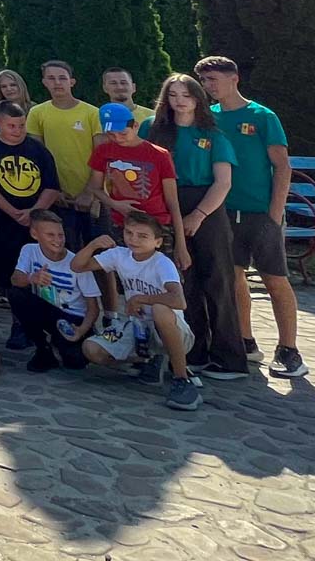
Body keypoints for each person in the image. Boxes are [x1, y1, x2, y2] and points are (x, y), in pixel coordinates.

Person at [197, 55, 304, 378]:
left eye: (214, 79)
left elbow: (282, 165)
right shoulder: (208, 117)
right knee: (233, 278)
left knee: (274, 279)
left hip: (260, 212)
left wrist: (275, 212)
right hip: (224, 212)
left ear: (234, 78)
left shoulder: (261, 115)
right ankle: (245, 341)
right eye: (204, 81)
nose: (209, 86)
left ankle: (289, 349)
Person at [143, 73, 249, 379]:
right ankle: (192, 350)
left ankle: (229, 357)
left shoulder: (214, 135)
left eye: (186, 95)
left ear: (197, 99)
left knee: (217, 280)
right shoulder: (154, 130)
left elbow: (223, 182)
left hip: (206, 208)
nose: (179, 101)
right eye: (172, 94)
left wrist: (198, 215)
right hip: (165, 206)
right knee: (180, 280)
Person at [73, 215, 202, 411]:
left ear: (157, 242)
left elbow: (178, 300)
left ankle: (181, 378)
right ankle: (147, 359)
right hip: (136, 327)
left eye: (142, 236)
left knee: (160, 310)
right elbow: (77, 266)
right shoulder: (119, 255)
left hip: (171, 329)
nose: (134, 239)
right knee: (91, 348)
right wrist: (93, 245)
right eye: (129, 233)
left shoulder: (162, 263)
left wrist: (140, 299)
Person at [0, 100, 63, 350]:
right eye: (11, 125)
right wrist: (13, 212)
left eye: (21, 125)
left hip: (38, 222)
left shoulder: (38, 150)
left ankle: (46, 325)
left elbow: (52, 186)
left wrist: (34, 212)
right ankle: (18, 324)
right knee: (11, 273)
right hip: (6, 221)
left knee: (41, 270)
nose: (17, 130)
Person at [7, 210, 101, 372]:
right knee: (17, 295)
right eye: (50, 235)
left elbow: (93, 307)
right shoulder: (29, 250)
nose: (58, 240)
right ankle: (42, 348)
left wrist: (81, 331)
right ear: (35, 234)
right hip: (47, 309)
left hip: (73, 316)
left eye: (60, 235)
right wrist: (32, 278)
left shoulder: (76, 263)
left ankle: (72, 341)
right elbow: (15, 279)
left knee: (75, 362)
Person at [87, 102, 185, 257]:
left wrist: (181, 245)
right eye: (111, 134)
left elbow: (173, 202)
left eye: (123, 133)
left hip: (156, 225)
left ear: (135, 126)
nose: (117, 138)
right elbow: (94, 187)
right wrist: (115, 204)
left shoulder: (159, 155)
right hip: (121, 223)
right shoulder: (103, 151)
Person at [26, 60, 104, 249]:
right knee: (64, 252)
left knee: (101, 254)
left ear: (72, 82)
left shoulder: (92, 113)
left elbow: (101, 156)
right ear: (44, 82)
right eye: (51, 78)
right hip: (58, 198)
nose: (57, 83)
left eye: (62, 78)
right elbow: (37, 157)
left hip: (92, 198)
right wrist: (52, 191)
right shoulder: (37, 113)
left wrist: (89, 192)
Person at [0, 69, 32, 140]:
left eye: (13, 85)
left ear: (21, 86)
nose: (9, 89)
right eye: (4, 86)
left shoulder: (34, 109)